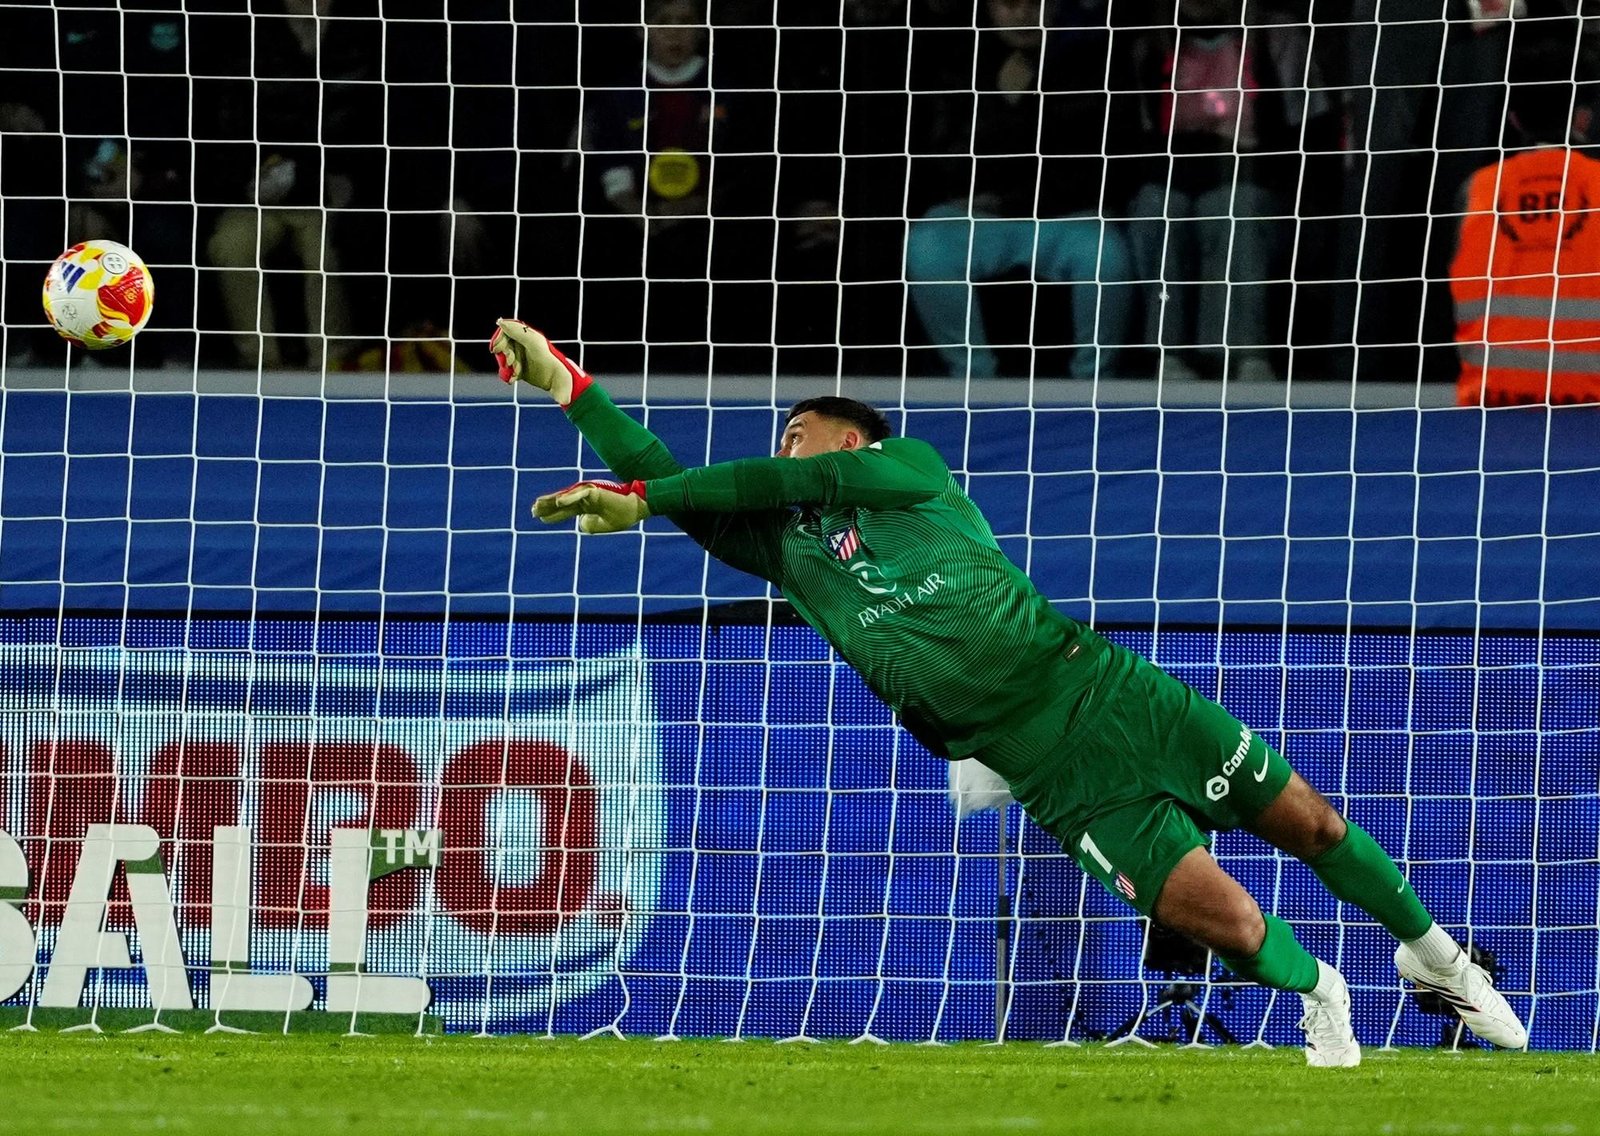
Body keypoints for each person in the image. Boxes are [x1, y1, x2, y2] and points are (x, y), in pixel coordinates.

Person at [487, 317, 1528, 1064]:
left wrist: (643, 495)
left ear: (849, 439)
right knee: (1235, 925)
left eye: (796, 431)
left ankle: (1435, 958)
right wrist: (568, 389)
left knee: (1309, 818)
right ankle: (1322, 992)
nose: (781, 451)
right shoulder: (785, 554)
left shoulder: (909, 470)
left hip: (1110, 689)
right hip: (1043, 761)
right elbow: (663, 467)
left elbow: (730, 482)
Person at [904, 0, 1133, 381]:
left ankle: (1094, 384)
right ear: (990, 11)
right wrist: (1005, 102)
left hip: (1061, 218)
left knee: (1107, 258)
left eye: (1035, 4)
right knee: (928, 246)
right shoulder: (958, 64)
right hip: (981, 220)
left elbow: (1090, 166)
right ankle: (973, 378)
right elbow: (948, 162)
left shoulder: (1092, 63)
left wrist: (1029, 95)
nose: (1023, 15)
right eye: (1010, 5)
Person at [1450, 36, 1600, 406]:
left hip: (1489, 404)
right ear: (1585, 116)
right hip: (1590, 408)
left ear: (1514, 117)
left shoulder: (1476, 190)